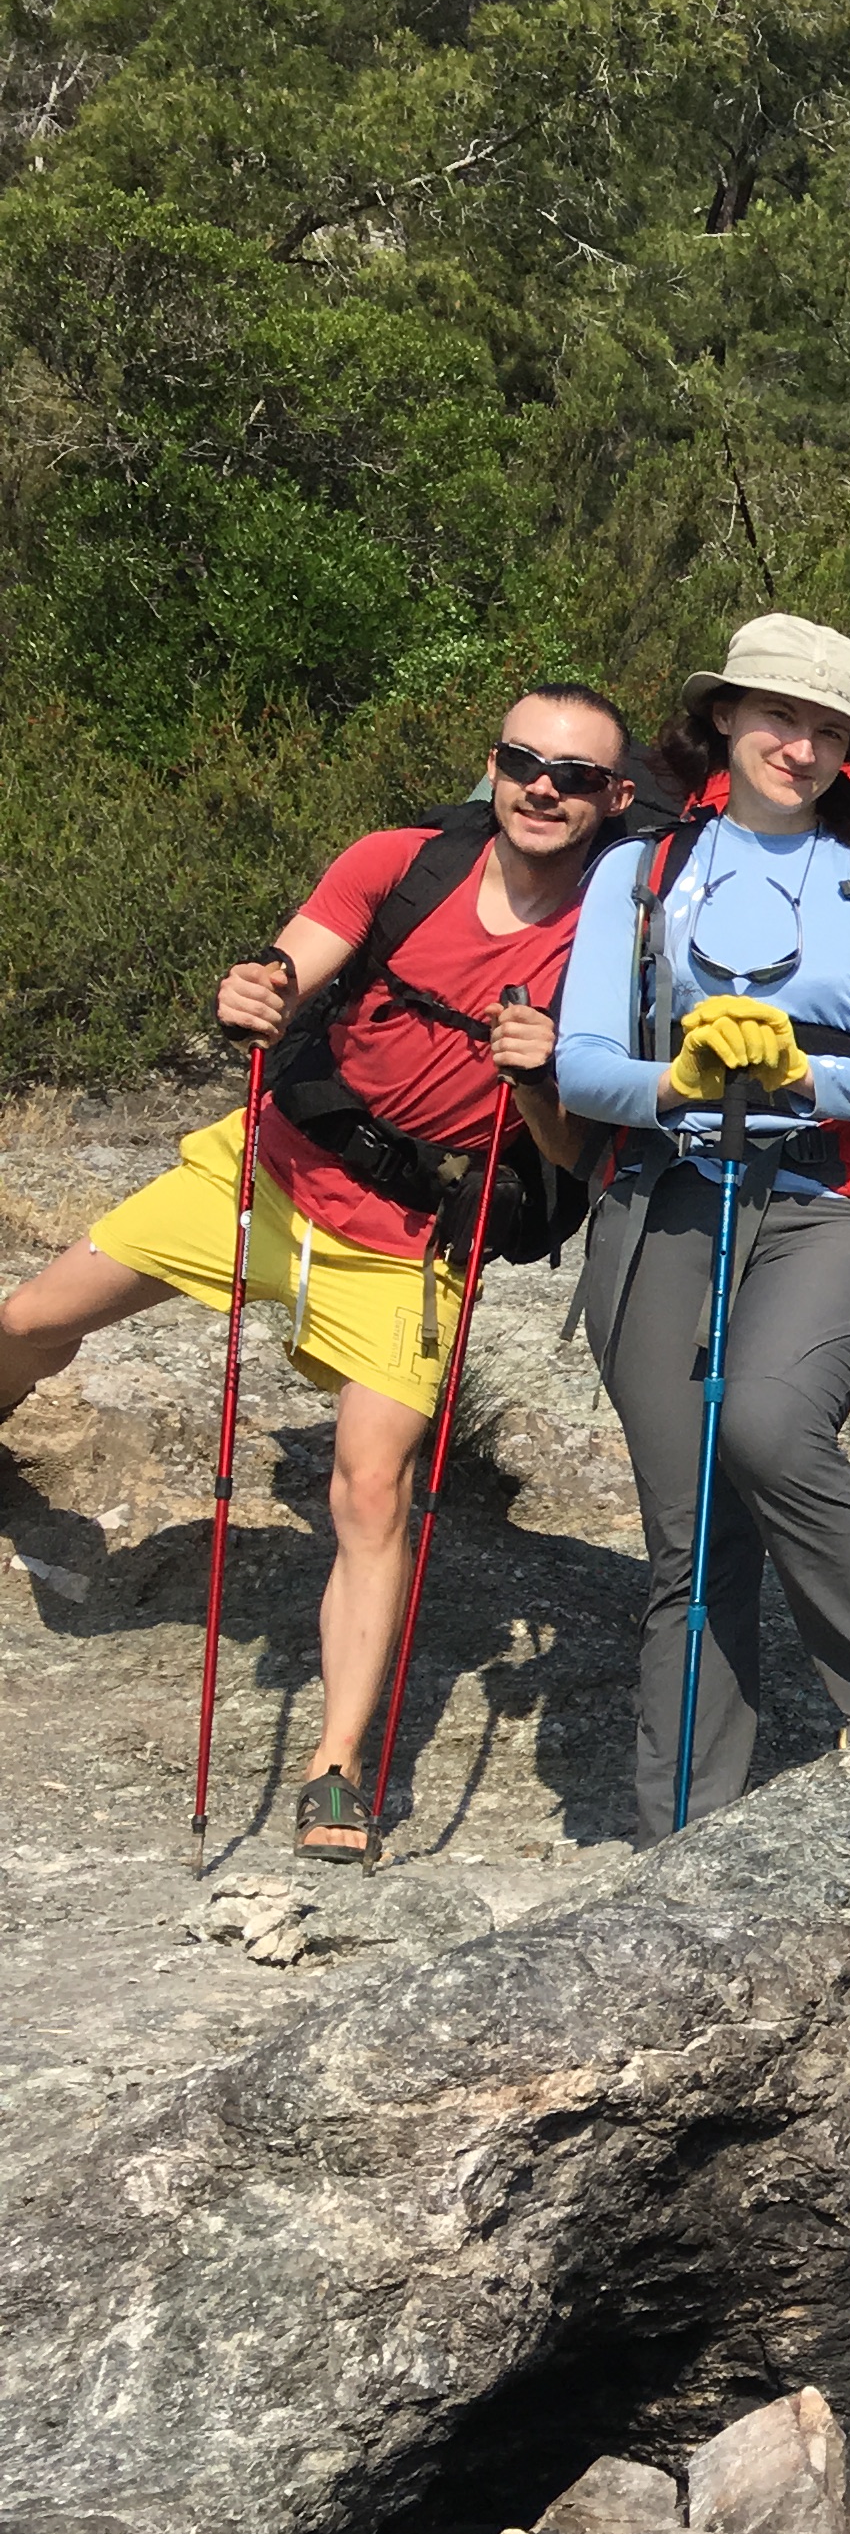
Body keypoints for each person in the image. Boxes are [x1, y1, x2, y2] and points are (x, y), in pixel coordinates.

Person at [0, 688, 628, 1859]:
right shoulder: (398, 862)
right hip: (269, 1170)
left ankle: (337, 1767)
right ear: (494, 766)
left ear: (615, 798)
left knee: (372, 1490)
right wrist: (254, 993)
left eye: (577, 776)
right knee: (32, 1316)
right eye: (524, 761)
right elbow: (290, 970)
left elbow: (574, 1153)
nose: (545, 788)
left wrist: (542, 1077)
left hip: (412, 1240)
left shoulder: (611, 941)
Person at [552, 614, 850, 1840]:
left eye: (829, 728)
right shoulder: (640, 872)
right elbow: (583, 1063)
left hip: (841, 1195)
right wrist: (679, 1084)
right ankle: (680, 1836)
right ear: (725, 716)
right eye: (780, 715)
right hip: (668, 1194)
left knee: (769, 1422)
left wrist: (798, 1078)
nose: (801, 745)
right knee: (692, 1539)